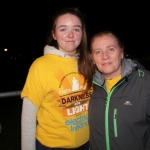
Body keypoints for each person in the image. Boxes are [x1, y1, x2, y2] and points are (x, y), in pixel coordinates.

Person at [21, 7, 93, 150]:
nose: (70, 35)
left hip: (87, 143)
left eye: (76, 29)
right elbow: (28, 116)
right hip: (51, 146)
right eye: (63, 29)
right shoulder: (40, 66)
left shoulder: (89, 62)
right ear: (54, 34)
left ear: (82, 34)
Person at [80, 31, 150, 150]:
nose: (105, 56)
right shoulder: (89, 87)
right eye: (98, 52)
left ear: (121, 52)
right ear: (92, 58)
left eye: (111, 49)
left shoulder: (145, 82)